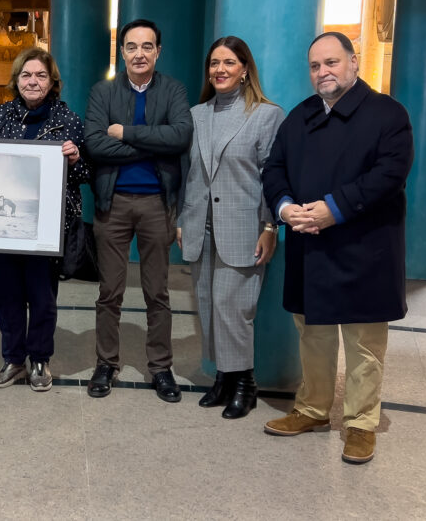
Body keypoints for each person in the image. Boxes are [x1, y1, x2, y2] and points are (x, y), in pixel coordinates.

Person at [262, 31, 413, 464]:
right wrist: (285, 206)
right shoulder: (301, 116)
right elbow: (274, 168)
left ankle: (362, 423)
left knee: (365, 343)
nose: (322, 72)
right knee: (313, 333)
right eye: (315, 66)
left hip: (365, 246)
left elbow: (390, 175)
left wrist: (333, 209)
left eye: (331, 62)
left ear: (353, 63)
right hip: (309, 246)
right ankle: (311, 409)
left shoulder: (387, 114)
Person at [83, 18, 192, 403]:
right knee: (108, 291)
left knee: (157, 292)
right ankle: (106, 363)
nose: (139, 53)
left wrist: (126, 132)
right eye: (132, 46)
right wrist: (155, 142)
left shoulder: (174, 90)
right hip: (113, 204)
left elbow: (180, 135)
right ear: (123, 52)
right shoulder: (103, 92)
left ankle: (160, 367)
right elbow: (95, 145)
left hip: (157, 204)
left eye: (147, 46)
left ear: (158, 51)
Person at [176, 36, 284, 419]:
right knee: (207, 304)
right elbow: (189, 174)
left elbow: (274, 176)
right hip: (199, 227)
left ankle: (245, 384)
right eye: (214, 63)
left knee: (234, 308)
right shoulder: (197, 114)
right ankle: (223, 378)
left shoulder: (267, 115)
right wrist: (182, 220)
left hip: (244, 228)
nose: (219, 69)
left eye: (229, 62)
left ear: (244, 70)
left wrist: (270, 225)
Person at [0, 47, 90, 392]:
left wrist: (74, 161)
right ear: (16, 80)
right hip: (2, 231)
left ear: (52, 82)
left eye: (41, 75)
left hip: (47, 225)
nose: (33, 81)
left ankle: (40, 357)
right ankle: (13, 358)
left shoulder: (68, 120)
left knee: (43, 296)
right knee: (7, 293)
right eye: (26, 75)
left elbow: (86, 172)